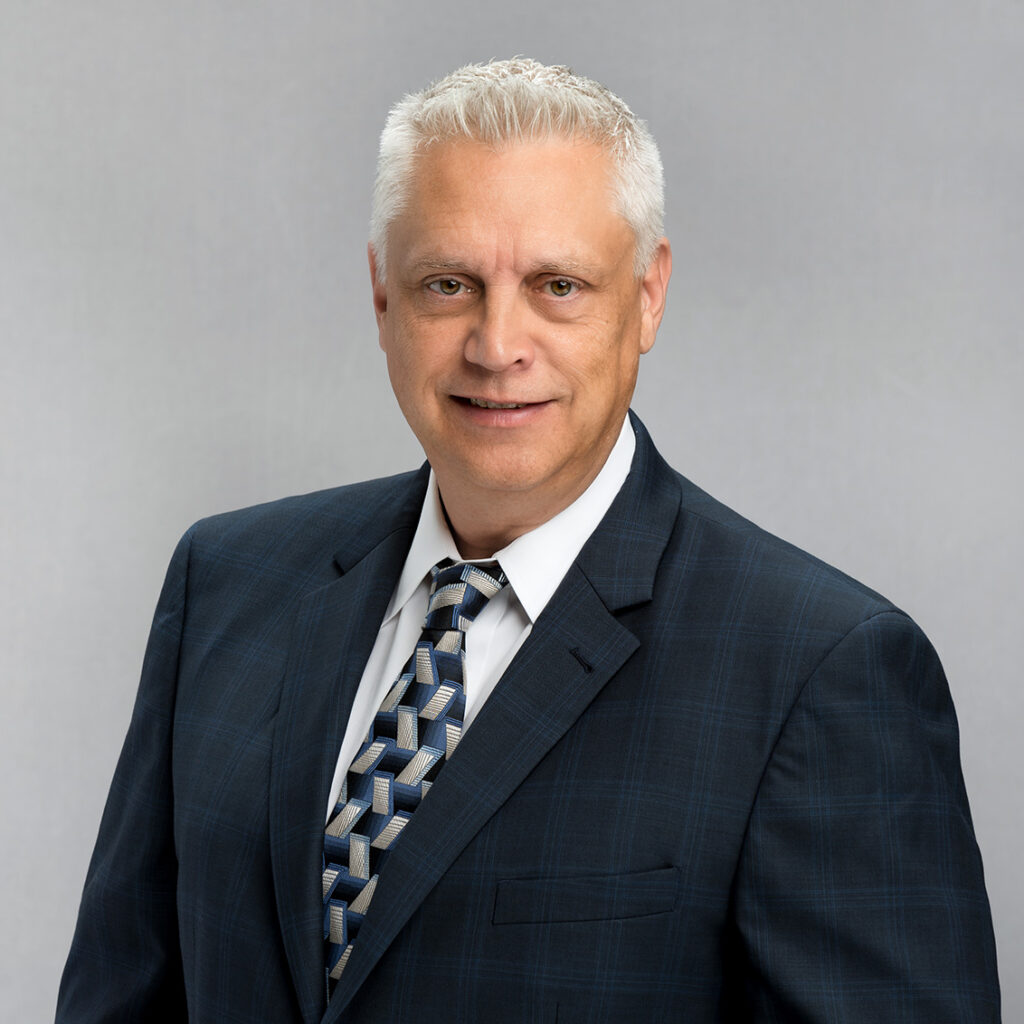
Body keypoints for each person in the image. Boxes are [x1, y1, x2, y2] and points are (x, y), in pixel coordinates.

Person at [57, 58, 1000, 1023]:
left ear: (648, 297)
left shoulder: (821, 673)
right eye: (448, 283)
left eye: (558, 285)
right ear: (382, 295)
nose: (497, 345)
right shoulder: (226, 584)